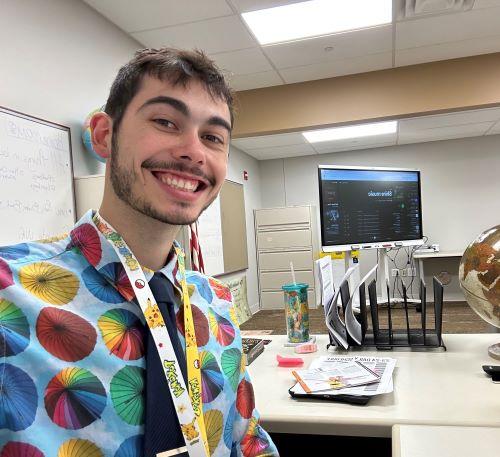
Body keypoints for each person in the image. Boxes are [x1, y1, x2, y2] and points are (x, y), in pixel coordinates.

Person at [0, 48, 278, 457]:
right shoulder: (8, 291)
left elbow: (246, 439)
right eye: (166, 121)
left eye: (213, 137)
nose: (194, 151)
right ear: (103, 135)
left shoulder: (215, 304)